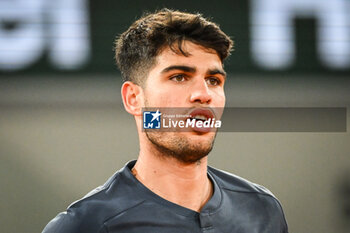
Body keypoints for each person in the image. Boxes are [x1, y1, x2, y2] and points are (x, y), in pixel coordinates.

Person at [42, 9, 288, 233]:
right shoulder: (84, 226)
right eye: (179, 77)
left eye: (213, 80)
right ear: (133, 98)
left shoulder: (262, 210)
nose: (203, 94)